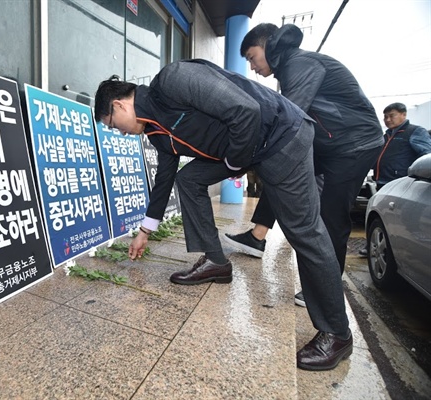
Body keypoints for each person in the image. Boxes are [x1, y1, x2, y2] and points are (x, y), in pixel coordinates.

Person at [94, 59, 352, 371]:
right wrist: (145, 231)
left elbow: (245, 110)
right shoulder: (156, 131)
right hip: (247, 148)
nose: (118, 133)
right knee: (188, 179)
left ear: (119, 106)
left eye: (111, 125)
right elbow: (164, 178)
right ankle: (216, 261)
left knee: (304, 232)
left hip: (281, 135)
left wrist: (233, 165)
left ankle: (337, 333)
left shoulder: (175, 80)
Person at [224, 23, 384, 307]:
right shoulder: (289, 68)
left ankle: (325, 289)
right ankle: (257, 237)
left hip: (354, 146)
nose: (252, 66)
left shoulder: (301, 64)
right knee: (280, 171)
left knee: (332, 215)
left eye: (252, 57)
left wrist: (244, 155)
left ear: (269, 45)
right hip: (331, 143)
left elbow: (288, 116)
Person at [358, 102, 431, 257]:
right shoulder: (386, 136)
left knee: (406, 219)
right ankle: (375, 246)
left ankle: (410, 252)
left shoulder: (414, 132)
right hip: (383, 182)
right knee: (380, 216)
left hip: (402, 183)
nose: (388, 120)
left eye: (392, 116)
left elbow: (426, 154)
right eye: (385, 117)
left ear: (403, 115)